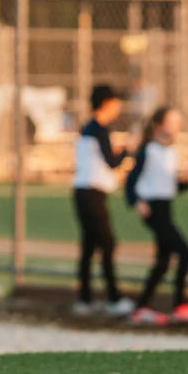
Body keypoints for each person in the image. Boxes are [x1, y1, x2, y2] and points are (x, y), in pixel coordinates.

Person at [125, 106, 188, 325]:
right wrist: (137, 201)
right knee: (185, 251)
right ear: (159, 125)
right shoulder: (148, 150)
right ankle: (180, 305)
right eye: (173, 122)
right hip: (153, 209)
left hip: (166, 207)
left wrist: (186, 182)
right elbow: (131, 180)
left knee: (163, 261)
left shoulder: (170, 151)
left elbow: (169, 187)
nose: (177, 127)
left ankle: (141, 306)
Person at [71, 84, 135, 316]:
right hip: (92, 193)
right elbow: (112, 161)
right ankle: (113, 297)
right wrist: (129, 150)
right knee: (107, 243)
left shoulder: (88, 128)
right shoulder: (99, 128)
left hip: (83, 192)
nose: (119, 106)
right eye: (116, 101)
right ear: (107, 103)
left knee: (89, 246)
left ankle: (84, 298)